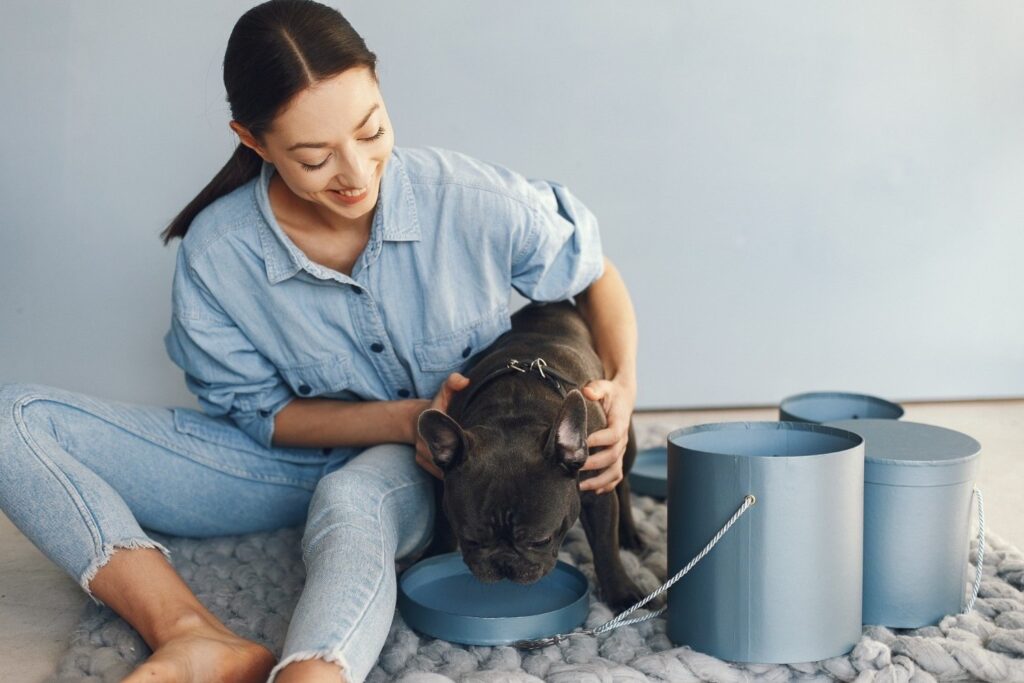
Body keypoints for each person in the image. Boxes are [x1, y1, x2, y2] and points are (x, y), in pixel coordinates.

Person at [0, 0, 638, 681]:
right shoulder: (219, 253)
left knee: (350, 501)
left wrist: (623, 387)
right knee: (11, 422)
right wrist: (402, 418)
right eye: (313, 157)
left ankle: (313, 672)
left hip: (433, 469)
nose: (357, 174)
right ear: (253, 140)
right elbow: (259, 416)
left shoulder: (470, 199)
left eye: (371, 131)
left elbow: (593, 274)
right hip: (275, 463)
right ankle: (188, 631)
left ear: (380, 86)